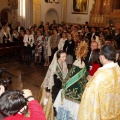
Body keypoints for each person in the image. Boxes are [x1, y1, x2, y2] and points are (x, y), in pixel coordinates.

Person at [78, 45, 120, 120]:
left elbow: (89, 96)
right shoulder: (118, 70)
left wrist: (89, 82)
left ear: (102, 57)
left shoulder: (101, 74)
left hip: (103, 114)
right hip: (115, 112)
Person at [54, 41, 89, 120]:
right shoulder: (83, 64)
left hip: (71, 92)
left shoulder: (76, 64)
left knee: (67, 110)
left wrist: (64, 84)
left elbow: (69, 76)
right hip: (80, 92)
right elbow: (85, 76)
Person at [38, 50, 68, 119]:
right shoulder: (53, 66)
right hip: (53, 86)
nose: (65, 58)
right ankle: (53, 116)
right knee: (53, 102)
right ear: (58, 57)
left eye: (65, 56)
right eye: (63, 57)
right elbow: (49, 78)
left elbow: (65, 75)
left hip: (60, 86)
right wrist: (48, 91)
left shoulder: (64, 63)